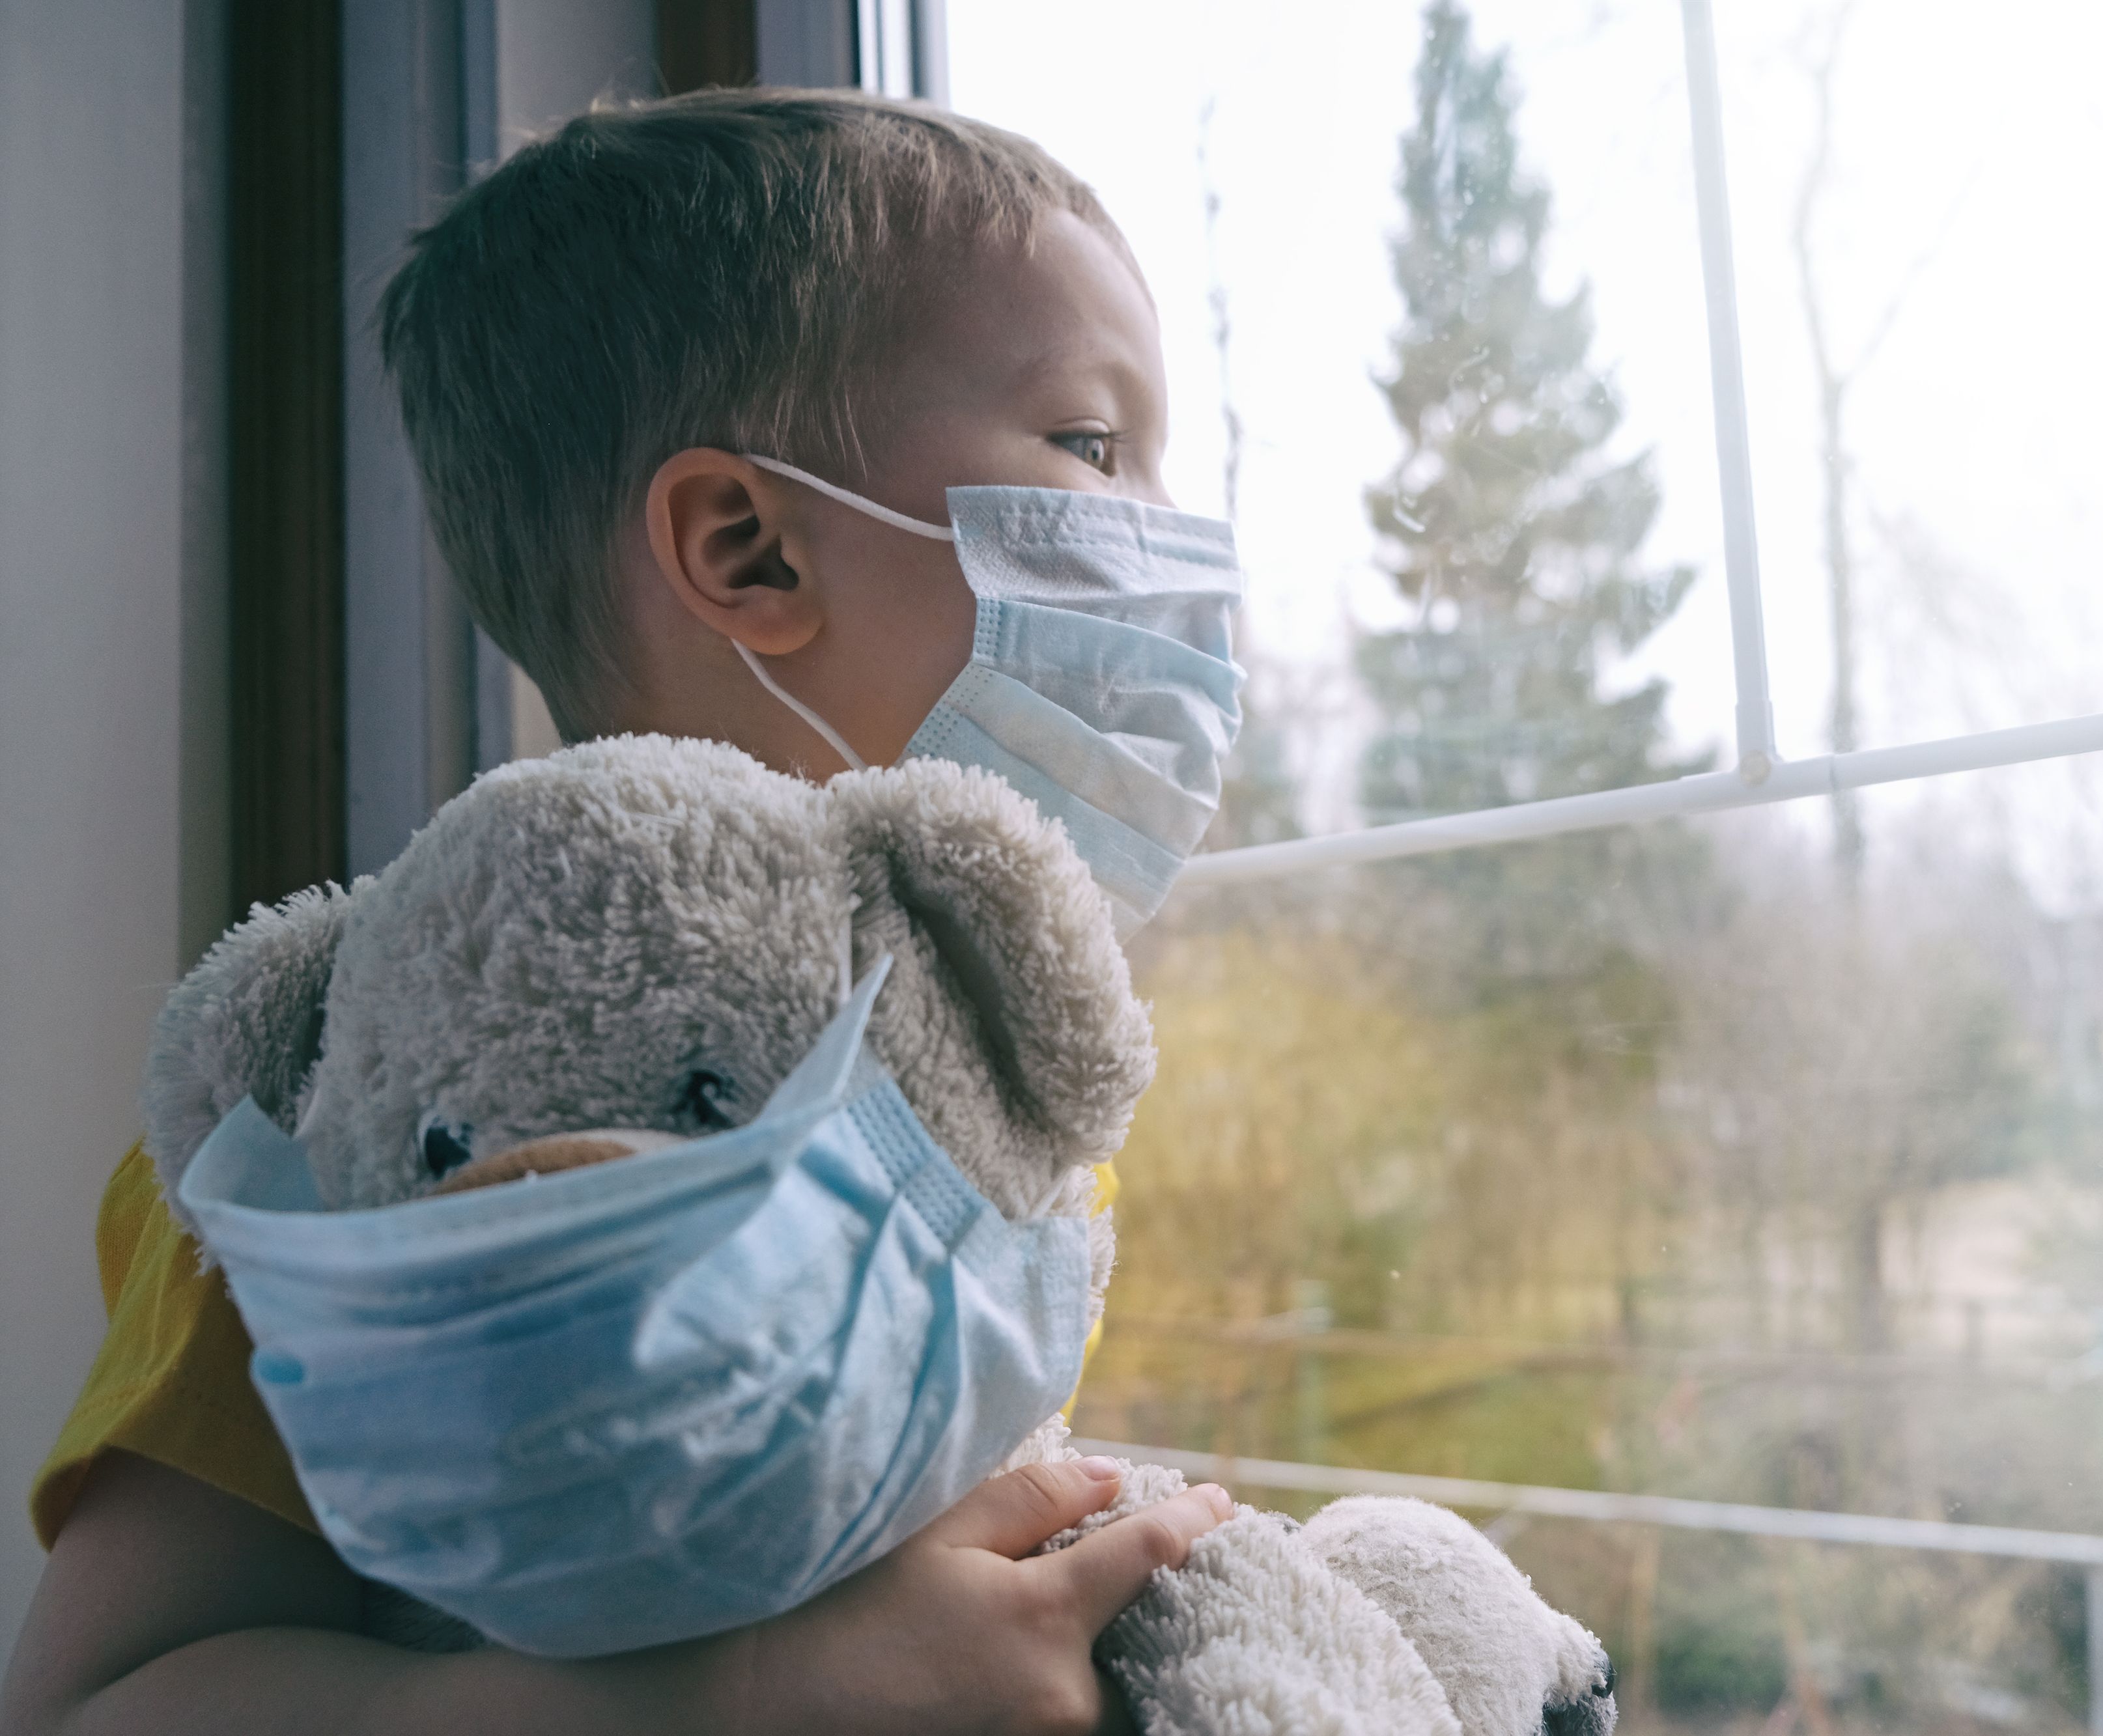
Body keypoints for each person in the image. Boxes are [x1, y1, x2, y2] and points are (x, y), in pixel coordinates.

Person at [1, 89, 1232, 1736]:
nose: (1169, 535)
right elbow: (103, 1702)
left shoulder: (969, 1091)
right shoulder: (337, 1111)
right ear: (747, 547)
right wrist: (742, 1698)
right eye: (1089, 445)